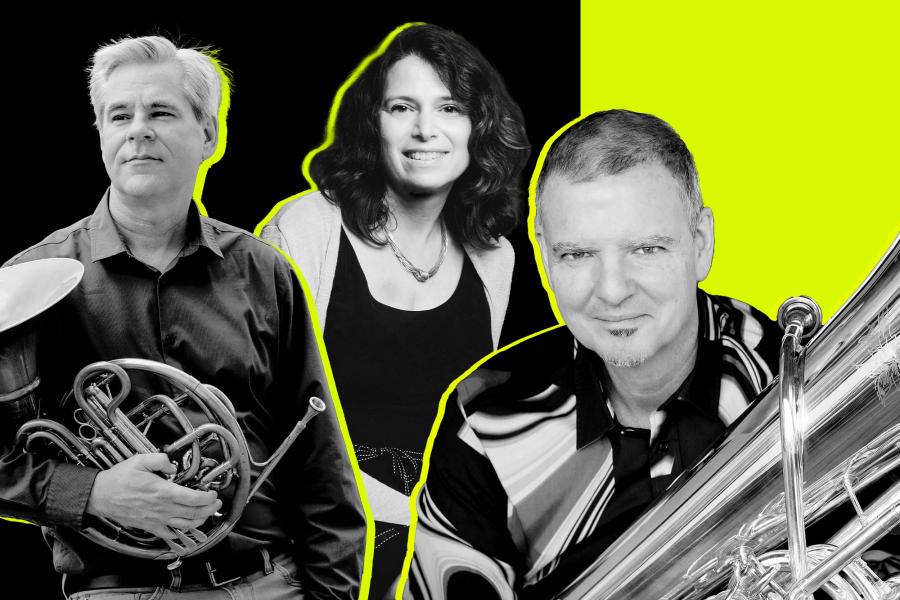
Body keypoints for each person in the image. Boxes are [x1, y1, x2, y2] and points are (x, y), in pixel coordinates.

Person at [0, 36, 366, 599]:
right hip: (116, 589)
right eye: (119, 114)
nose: (137, 129)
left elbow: (321, 467)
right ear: (100, 133)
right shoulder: (30, 280)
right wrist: (90, 491)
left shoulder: (265, 272)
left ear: (209, 135)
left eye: (161, 112)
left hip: (268, 584)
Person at [408, 109, 784, 599]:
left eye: (646, 249)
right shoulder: (488, 415)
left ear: (701, 243)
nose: (611, 292)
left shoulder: (789, 379)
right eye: (577, 255)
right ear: (544, 256)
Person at [260, 23, 534, 599]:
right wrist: (423, 515)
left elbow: (471, 426)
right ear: (373, 124)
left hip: (435, 552)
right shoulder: (308, 227)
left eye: (450, 107)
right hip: (314, 545)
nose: (425, 130)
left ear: (478, 128)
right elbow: (265, 423)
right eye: (402, 107)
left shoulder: (494, 258)